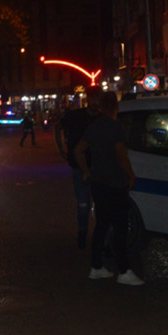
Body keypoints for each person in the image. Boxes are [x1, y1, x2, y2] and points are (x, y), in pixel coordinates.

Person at [75, 92, 143, 285]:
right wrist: (131, 174)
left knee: (102, 226)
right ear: (115, 107)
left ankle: (96, 267)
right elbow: (121, 155)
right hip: (115, 183)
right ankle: (124, 270)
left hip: (98, 183)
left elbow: (78, 150)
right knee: (120, 227)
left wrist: (86, 171)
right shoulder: (116, 128)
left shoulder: (94, 127)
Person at [59, 89, 102, 249]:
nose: (97, 102)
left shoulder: (102, 118)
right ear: (89, 99)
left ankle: (100, 237)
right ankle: (83, 234)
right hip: (79, 167)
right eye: (95, 98)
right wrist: (61, 150)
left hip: (99, 167)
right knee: (83, 204)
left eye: (99, 99)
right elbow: (58, 127)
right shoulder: (75, 116)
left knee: (100, 204)